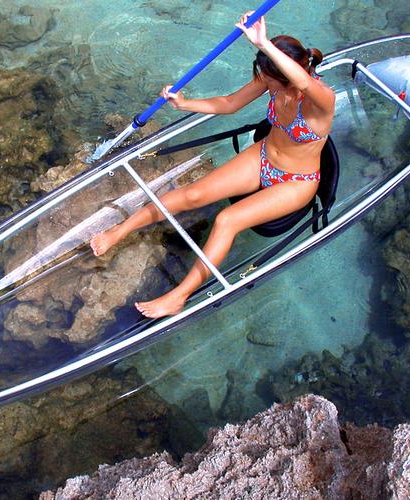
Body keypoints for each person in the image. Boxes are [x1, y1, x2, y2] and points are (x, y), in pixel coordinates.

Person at [90, 12, 336, 318]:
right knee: (193, 194)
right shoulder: (273, 82)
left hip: (296, 181)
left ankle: (178, 296)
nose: (265, 84)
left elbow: (301, 80)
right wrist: (184, 104)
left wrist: (262, 42)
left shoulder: (322, 100)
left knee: (227, 220)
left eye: (270, 78)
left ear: (287, 73)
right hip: (262, 157)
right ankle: (120, 230)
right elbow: (230, 103)